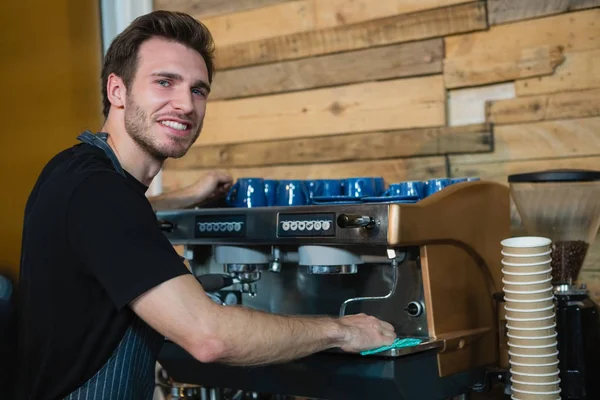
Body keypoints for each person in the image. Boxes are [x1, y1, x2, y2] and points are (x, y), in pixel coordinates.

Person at [14, 10, 396, 400]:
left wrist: (186, 196)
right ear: (117, 91)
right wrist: (343, 330)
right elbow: (209, 337)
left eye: (198, 90)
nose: (185, 105)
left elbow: (113, 219)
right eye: (165, 82)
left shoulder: (73, 168)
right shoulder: (102, 194)